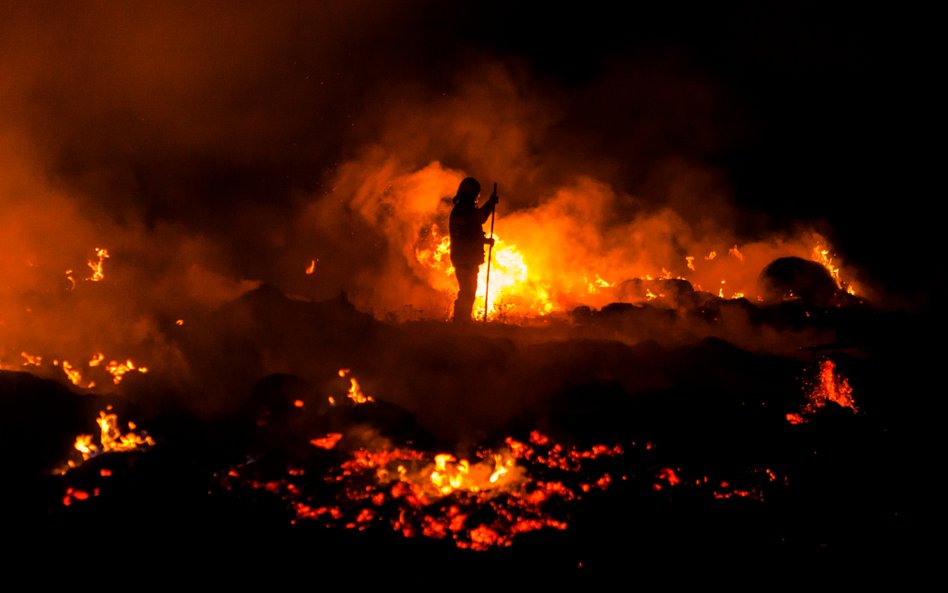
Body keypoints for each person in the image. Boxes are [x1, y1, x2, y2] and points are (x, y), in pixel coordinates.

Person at [448, 177, 498, 323]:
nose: (477, 197)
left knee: (467, 291)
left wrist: (484, 241)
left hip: (461, 256)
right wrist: (490, 203)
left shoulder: (459, 210)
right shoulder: (464, 210)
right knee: (468, 292)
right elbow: (480, 218)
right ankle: (460, 322)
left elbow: (468, 234)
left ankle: (461, 321)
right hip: (466, 259)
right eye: (476, 194)